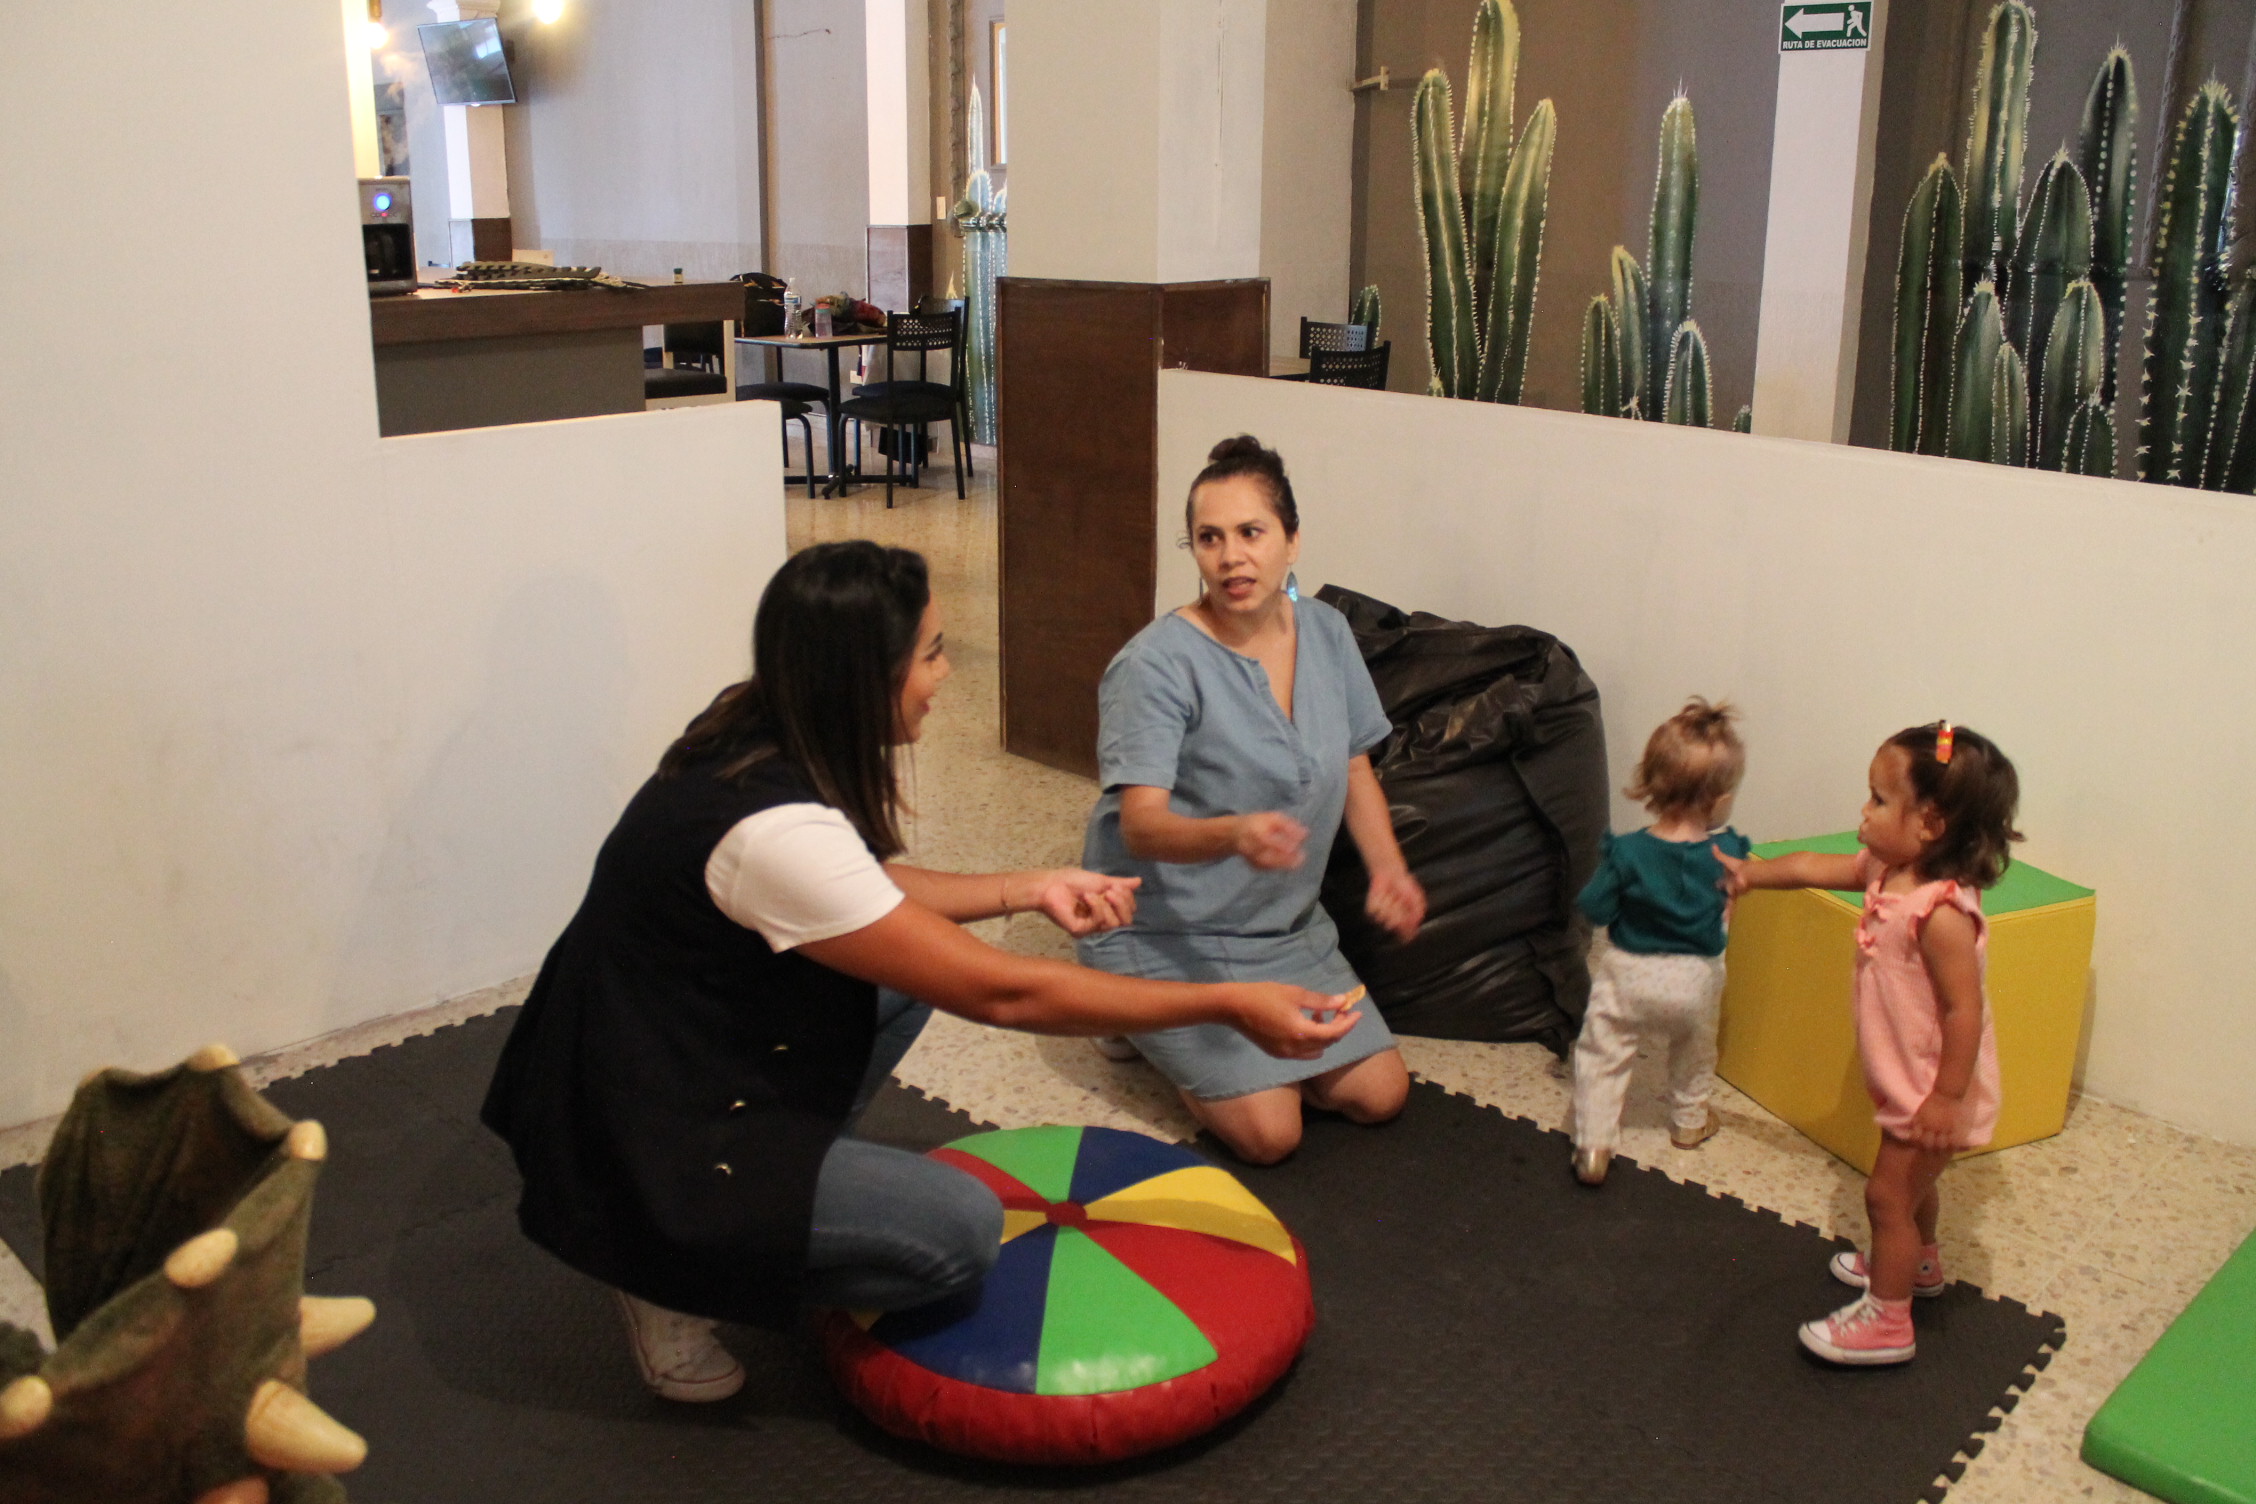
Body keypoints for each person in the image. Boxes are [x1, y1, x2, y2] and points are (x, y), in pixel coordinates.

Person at [481, 541, 1361, 1403]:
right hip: (648, 1133)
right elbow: (1003, 992)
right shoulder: (774, 829)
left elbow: (857, 893)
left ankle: (795, 1189)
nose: (946, 673)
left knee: (892, 985)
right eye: (932, 653)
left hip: (665, 1057)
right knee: (958, 1236)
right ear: (866, 676)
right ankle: (672, 1274)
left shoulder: (763, 717)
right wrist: (1230, 1005)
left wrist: (1029, 886)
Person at [1076, 436, 1425, 1165]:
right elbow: (1140, 826)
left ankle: (1238, 1051)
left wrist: (1390, 868)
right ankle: (1127, 1008)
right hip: (1164, 929)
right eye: (1210, 538)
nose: (1231, 557)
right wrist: (1231, 834)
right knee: (1272, 1135)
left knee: (1382, 1093)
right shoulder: (1154, 664)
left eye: (1251, 533)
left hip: (1279, 926)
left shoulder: (1328, 633)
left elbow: (1355, 765)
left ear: (1291, 541)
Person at [1714, 721, 2019, 1366]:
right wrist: (1752, 874)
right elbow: (1810, 868)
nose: (1864, 809)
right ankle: (1919, 1265)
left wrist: (1944, 1099)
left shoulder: (1938, 913)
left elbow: (1966, 1012)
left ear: (1931, 822)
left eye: (1879, 799)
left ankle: (1888, 1321)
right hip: (1911, 1080)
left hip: (1931, 1088)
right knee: (1910, 1192)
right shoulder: (1889, 870)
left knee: (1885, 1197)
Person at [1569, 698, 1750, 1186]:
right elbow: (1732, 900)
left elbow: (1594, 906)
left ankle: (1594, 1143)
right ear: (1718, 800)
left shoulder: (1627, 852)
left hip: (1630, 975)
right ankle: (1689, 1124)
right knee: (1695, 1049)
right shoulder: (1729, 851)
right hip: (1694, 978)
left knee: (1602, 1053)